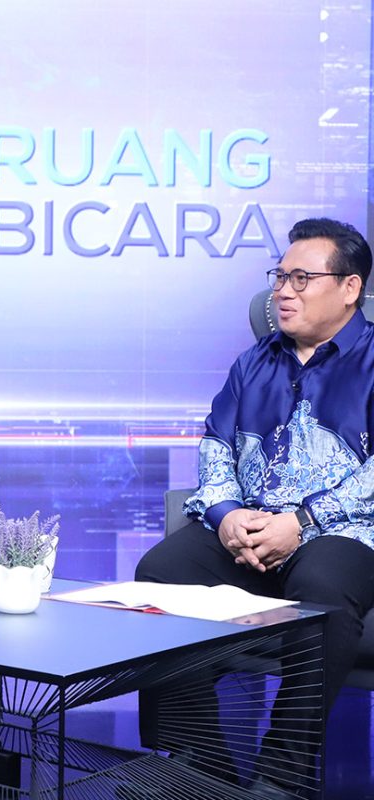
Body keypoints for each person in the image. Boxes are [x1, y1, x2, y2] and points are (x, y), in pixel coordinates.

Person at [135, 217, 374, 800]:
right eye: (279, 277)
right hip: (252, 525)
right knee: (159, 573)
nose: (283, 292)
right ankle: (201, 764)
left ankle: (281, 776)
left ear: (350, 287)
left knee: (321, 583)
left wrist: (303, 522)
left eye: (301, 278)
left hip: (344, 533)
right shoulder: (253, 362)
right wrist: (226, 516)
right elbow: (216, 445)